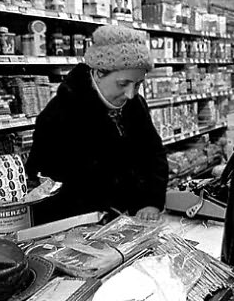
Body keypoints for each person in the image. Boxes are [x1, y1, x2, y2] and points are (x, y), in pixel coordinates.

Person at [26, 25, 168, 224]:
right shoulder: (59, 115)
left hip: (130, 223)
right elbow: (47, 187)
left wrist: (151, 201)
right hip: (81, 230)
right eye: (123, 83)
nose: (130, 94)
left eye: (138, 84)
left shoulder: (135, 104)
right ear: (99, 73)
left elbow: (153, 155)